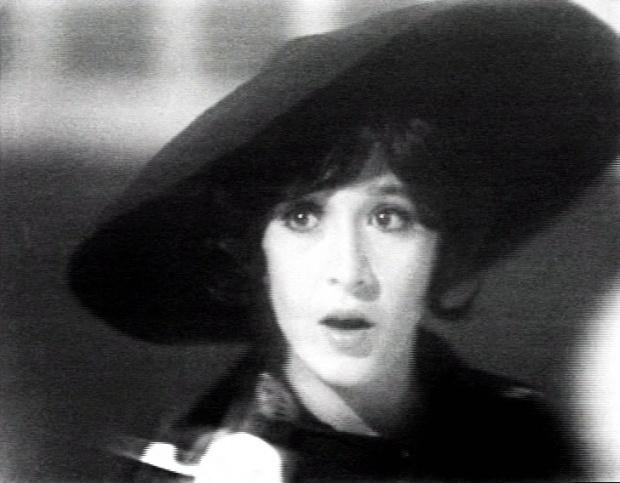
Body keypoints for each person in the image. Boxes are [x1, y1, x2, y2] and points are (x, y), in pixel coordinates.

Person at [68, 0, 620, 481]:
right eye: (302, 217)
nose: (349, 271)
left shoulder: (530, 445)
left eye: (389, 217)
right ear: (256, 253)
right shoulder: (186, 470)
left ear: (442, 247)